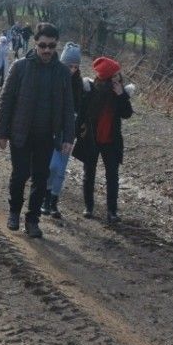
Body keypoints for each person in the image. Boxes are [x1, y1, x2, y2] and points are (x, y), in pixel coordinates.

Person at [0, 23, 75, 238]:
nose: (47, 50)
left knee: (41, 177)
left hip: (47, 135)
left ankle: (32, 220)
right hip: (20, 132)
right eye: (42, 45)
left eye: (51, 46)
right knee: (20, 175)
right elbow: (6, 101)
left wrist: (68, 136)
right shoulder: (20, 67)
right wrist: (1, 132)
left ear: (56, 45)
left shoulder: (62, 73)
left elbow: (69, 107)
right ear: (35, 44)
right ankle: (14, 213)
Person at [72, 56, 133, 223]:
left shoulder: (120, 92)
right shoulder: (90, 91)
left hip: (111, 141)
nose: (118, 78)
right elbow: (81, 115)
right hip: (91, 139)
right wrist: (78, 134)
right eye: (114, 75)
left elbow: (127, 114)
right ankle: (89, 207)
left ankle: (112, 212)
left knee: (112, 176)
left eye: (118, 75)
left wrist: (121, 96)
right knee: (88, 174)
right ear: (106, 77)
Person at [42, 42, 84, 218]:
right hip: (51, 128)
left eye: (76, 66)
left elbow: (81, 107)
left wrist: (80, 124)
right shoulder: (54, 77)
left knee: (61, 168)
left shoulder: (79, 83)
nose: (73, 69)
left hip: (69, 130)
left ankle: (53, 202)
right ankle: (45, 197)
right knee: (52, 166)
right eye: (70, 65)